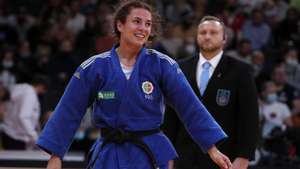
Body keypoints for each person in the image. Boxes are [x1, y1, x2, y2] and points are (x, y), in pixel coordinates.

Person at [36, 1, 232, 169]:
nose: (143, 28)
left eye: (148, 24)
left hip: (150, 153)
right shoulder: (94, 67)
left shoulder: (163, 65)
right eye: (137, 22)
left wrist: (211, 149)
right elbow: (69, 111)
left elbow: (190, 106)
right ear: (120, 25)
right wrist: (55, 156)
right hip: (109, 155)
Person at [164, 16, 259, 169]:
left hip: (225, 157)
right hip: (184, 156)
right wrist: (167, 155)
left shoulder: (241, 70)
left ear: (224, 38)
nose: (207, 36)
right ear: (197, 37)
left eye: (213, 32)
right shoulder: (180, 67)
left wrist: (244, 157)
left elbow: (249, 118)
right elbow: (170, 116)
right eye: (203, 32)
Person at [1, 75, 48, 150]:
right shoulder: (30, 94)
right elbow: (23, 117)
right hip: (17, 137)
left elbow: (5, 104)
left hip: (7, 132)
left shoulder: (18, 87)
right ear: (41, 86)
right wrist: (35, 137)